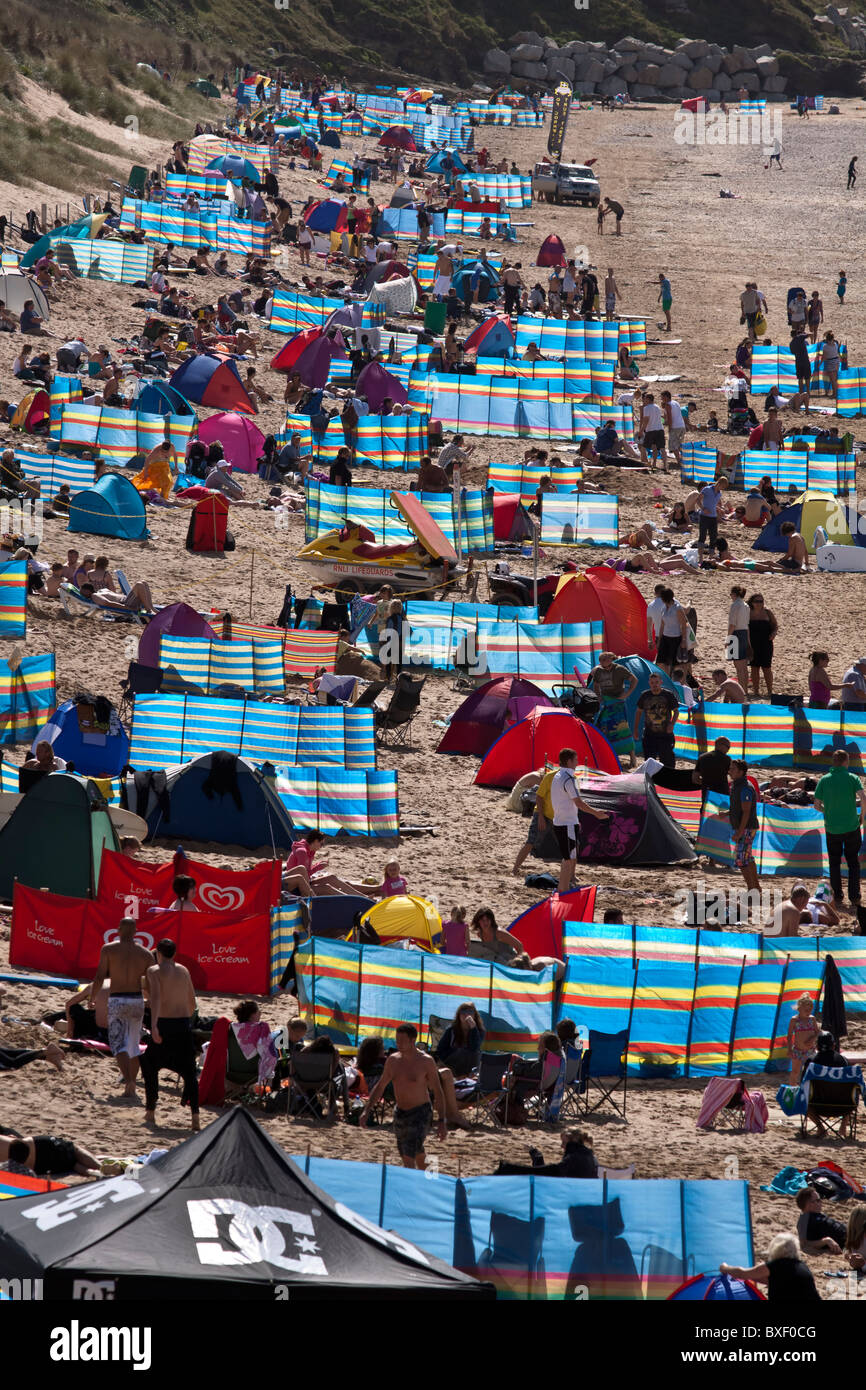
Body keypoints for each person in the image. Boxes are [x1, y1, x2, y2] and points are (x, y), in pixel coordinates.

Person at [360, 1022, 448, 1169]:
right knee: (415, 1151)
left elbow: (438, 1091)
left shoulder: (426, 1061)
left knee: (408, 1155)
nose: (398, 1044)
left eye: (402, 1041)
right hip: (400, 1112)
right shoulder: (393, 1061)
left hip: (421, 1112)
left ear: (413, 1041)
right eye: (397, 1040)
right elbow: (380, 1086)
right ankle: (431, 1176)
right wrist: (367, 1110)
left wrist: (441, 1121)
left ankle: (411, 1188)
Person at [90, 918, 153, 1098]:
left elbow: (100, 976)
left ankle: (129, 1081)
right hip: (136, 1000)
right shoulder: (146, 954)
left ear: (118, 930)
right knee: (133, 1044)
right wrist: (152, 1001)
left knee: (118, 1044)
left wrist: (92, 997)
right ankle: (132, 1082)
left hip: (118, 999)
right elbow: (149, 984)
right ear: (136, 932)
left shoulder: (108, 949)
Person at [141, 939, 200, 1131]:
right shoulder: (183, 970)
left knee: (149, 1064)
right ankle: (195, 1117)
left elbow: (156, 997)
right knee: (189, 1072)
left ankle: (150, 1110)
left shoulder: (154, 970)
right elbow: (192, 1002)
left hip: (164, 1023)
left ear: (157, 952)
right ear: (174, 954)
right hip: (183, 1024)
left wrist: (155, 1025)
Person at [551, 747, 610, 893]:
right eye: (576, 760)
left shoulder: (557, 776)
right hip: (567, 823)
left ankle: (562, 887)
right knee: (569, 858)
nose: (577, 762)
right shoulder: (569, 779)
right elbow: (578, 802)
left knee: (568, 857)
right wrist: (596, 814)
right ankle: (562, 889)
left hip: (560, 821)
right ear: (569, 761)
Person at [814, 749, 866, 907]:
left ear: (833, 762)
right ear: (846, 761)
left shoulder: (824, 780)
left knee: (834, 863)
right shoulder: (852, 778)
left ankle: (837, 896)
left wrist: (827, 812)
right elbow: (863, 798)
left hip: (832, 828)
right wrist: (862, 816)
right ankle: (854, 896)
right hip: (851, 826)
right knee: (853, 863)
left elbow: (816, 805)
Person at [720, 1234, 821, 1301]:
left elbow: (743, 1273)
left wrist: (726, 1268)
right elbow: (776, 1282)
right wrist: (750, 1276)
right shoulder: (801, 1266)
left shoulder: (775, 1266)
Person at [590, 652, 637, 767]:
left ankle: (633, 757)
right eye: (602, 663)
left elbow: (634, 680)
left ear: (611, 660)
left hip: (618, 703)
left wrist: (627, 694)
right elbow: (595, 684)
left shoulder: (620, 669)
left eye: (607, 662)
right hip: (606, 702)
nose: (605, 666)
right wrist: (598, 696)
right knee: (605, 729)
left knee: (623, 728)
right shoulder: (598, 671)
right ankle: (610, 756)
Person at [494, 1128, 598, 1179]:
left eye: (564, 1143)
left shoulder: (575, 1158)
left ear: (573, 1142)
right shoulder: (589, 1155)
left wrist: (511, 1169)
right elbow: (551, 1173)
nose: (562, 1146)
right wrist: (537, 1156)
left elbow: (552, 1172)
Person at [0, 1132, 99, 1177]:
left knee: (71, 1164)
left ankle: (93, 1173)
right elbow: (13, 1137)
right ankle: (100, 1167)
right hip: (37, 1146)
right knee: (74, 1149)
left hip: (38, 1166)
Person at [633, 672, 679, 767]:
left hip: (665, 733)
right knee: (649, 761)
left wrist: (672, 724)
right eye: (652, 682)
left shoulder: (668, 695)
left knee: (668, 762)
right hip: (649, 734)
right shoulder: (645, 695)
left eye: (656, 682)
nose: (655, 684)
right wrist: (636, 729)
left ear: (661, 682)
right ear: (649, 683)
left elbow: (676, 711)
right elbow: (638, 712)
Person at [729, 760, 760, 895]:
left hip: (746, 828)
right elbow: (741, 809)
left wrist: (739, 832)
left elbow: (746, 812)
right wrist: (727, 813)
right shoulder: (737, 785)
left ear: (741, 772)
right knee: (747, 858)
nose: (729, 770)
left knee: (741, 860)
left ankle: (752, 890)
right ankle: (756, 888)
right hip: (746, 827)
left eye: (733, 768)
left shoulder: (745, 787)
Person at [434, 1002, 485, 1077]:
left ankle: (468, 1076)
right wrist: (454, 1051)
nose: (466, 1015)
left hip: (470, 1063)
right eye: (463, 1012)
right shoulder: (451, 1030)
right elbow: (440, 1050)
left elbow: (474, 1047)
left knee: (475, 1053)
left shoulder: (480, 1030)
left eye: (470, 1012)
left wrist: (473, 1028)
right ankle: (461, 1077)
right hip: (452, 1063)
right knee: (461, 1051)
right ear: (458, 1015)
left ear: (475, 1015)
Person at [787, 991, 821, 1084]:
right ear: (799, 1009)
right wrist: (789, 1049)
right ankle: (792, 1089)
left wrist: (812, 1039)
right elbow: (789, 1036)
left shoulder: (812, 1019)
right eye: (806, 1010)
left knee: (810, 1071)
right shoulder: (794, 1020)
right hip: (797, 1050)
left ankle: (809, 1089)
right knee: (795, 1072)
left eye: (810, 1010)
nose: (808, 1012)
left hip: (810, 1051)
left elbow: (818, 1032)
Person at [747, 593, 778, 696]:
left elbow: (775, 625)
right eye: (757, 601)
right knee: (754, 668)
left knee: (767, 668)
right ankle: (756, 691)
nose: (759, 603)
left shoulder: (768, 612)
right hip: (752, 644)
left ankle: (769, 691)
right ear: (752, 602)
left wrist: (774, 633)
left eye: (761, 601)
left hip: (766, 643)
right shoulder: (748, 613)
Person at [655, 588, 688, 675]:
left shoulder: (677, 608)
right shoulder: (664, 608)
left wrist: (683, 640)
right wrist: (659, 640)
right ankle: (667, 677)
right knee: (660, 661)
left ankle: (674, 678)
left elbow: (683, 625)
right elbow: (662, 625)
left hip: (675, 638)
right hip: (665, 637)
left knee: (675, 663)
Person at [693, 737, 733, 802]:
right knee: (722, 811)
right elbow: (733, 775)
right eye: (728, 747)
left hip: (707, 793)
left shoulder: (702, 757)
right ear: (721, 745)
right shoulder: (727, 759)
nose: (728, 750)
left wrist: (706, 783)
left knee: (706, 812)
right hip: (722, 794)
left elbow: (695, 778)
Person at [727, 584, 751, 688]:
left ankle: (742, 690)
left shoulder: (735, 605)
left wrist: (728, 638)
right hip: (744, 633)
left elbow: (732, 624)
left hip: (736, 634)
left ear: (734, 594)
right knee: (743, 666)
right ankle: (745, 690)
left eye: (731, 594)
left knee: (738, 666)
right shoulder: (746, 605)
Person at [698, 477, 727, 558]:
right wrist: (703, 508)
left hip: (713, 517)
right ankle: (700, 557)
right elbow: (698, 500)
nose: (723, 489)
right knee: (702, 536)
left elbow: (714, 504)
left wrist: (720, 509)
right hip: (704, 516)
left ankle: (710, 557)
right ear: (719, 483)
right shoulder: (707, 489)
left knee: (713, 538)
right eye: (723, 486)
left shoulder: (719, 493)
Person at [638, 392, 665, 470]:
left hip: (649, 429)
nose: (644, 400)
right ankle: (652, 463)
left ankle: (645, 462)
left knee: (643, 446)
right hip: (657, 428)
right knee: (655, 447)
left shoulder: (645, 407)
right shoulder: (656, 407)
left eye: (645, 398)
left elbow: (644, 420)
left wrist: (641, 430)